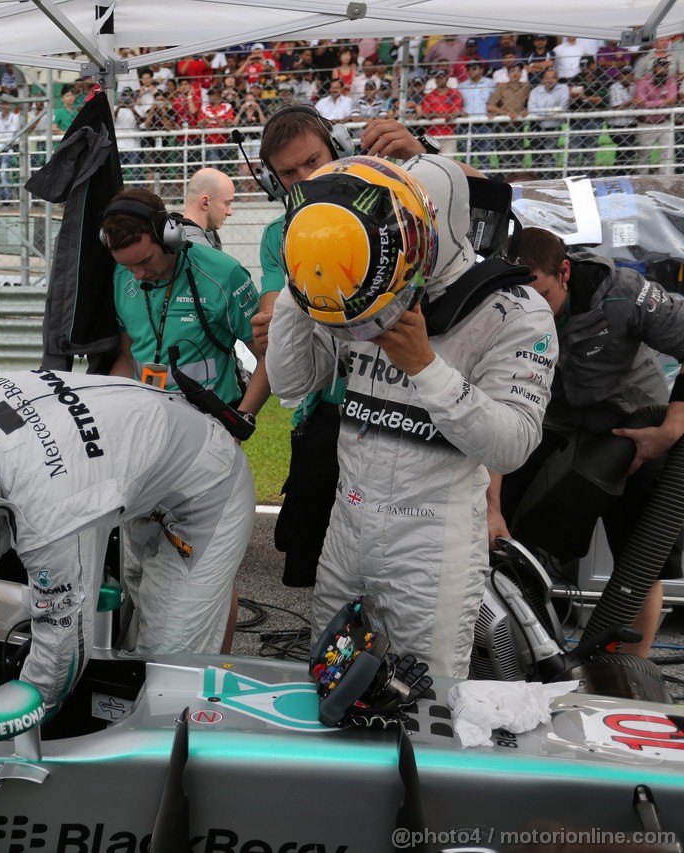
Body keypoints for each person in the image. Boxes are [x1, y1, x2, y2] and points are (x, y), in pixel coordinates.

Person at [266, 154, 555, 678]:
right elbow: (290, 383)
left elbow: (512, 445)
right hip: (347, 526)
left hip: (432, 544)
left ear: (433, 225)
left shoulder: (516, 309)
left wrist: (423, 364)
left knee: (423, 706)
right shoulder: (363, 280)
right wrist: (302, 279)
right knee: (329, 684)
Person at [0, 369, 255, 715]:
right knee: (137, 636)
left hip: (207, 488)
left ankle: (189, 759)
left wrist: (24, 718)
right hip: (143, 468)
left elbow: (64, 643)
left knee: (167, 672)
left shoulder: (52, 511)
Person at [254, 107, 448, 589]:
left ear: (339, 148)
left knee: (402, 567)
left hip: (405, 406)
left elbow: (485, 205)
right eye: (288, 173)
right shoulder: (279, 234)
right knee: (309, 563)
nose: (304, 177)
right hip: (329, 408)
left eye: (312, 160)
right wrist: (278, 322)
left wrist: (422, 158)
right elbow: (278, 309)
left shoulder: (399, 198)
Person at [489, 227, 684, 659]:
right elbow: (495, 412)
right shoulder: (500, 305)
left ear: (563, 272)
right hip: (555, 422)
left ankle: (625, 679)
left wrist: (671, 426)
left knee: (639, 561)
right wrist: (490, 508)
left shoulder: (622, 294)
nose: (525, 305)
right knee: (504, 539)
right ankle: (519, 655)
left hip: (634, 424)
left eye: (536, 290)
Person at [101, 188, 264, 417]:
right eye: (129, 266)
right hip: (146, 416)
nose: (137, 275)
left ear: (170, 238)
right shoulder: (120, 277)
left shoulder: (224, 275)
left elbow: (267, 358)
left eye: (146, 261)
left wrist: (240, 424)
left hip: (211, 419)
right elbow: (128, 357)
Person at [527, 69, 569, 178]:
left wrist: (542, 112)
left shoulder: (563, 88)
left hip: (553, 126)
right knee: (536, 153)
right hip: (537, 126)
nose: (550, 80)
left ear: (557, 79)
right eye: (547, 78)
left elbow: (563, 107)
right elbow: (531, 109)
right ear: (542, 79)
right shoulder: (535, 91)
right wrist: (551, 112)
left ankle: (548, 177)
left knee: (548, 152)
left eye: (552, 78)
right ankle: (538, 177)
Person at [178, 167, 234, 250]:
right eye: (227, 203)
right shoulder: (197, 248)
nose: (230, 212)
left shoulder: (178, 237)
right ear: (205, 202)